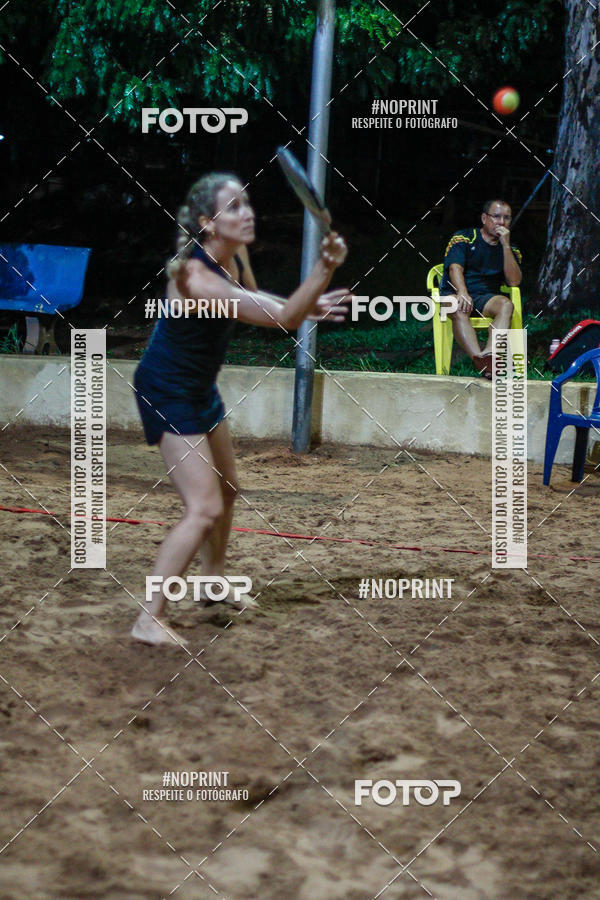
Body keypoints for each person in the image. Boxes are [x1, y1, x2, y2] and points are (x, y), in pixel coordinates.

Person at [132, 172, 350, 646]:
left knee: (228, 489)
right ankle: (148, 617)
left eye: (247, 204)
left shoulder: (233, 257)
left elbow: (261, 303)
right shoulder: (196, 277)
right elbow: (282, 317)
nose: (247, 213)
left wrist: (308, 304)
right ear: (208, 223)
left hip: (198, 387)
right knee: (204, 507)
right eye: (233, 208)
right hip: (167, 389)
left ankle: (211, 585)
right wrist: (322, 271)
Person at [439, 199, 522, 377]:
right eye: (496, 216)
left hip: (486, 298)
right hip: (455, 293)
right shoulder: (464, 237)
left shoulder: (511, 249)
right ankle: (481, 361)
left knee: (506, 305)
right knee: (457, 305)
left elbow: (514, 282)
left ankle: (490, 355)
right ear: (484, 218)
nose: (501, 222)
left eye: (506, 218)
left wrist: (505, 246)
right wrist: (462, 292)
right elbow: (455, 268)